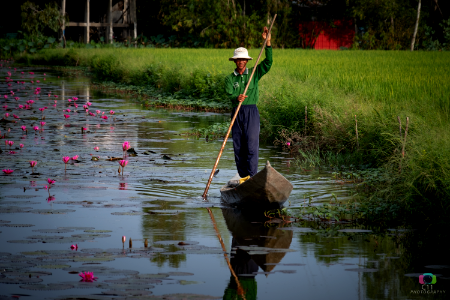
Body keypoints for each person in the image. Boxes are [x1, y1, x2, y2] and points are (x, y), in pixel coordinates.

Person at [225, 27, 272, 178]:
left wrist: (268, 43)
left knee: (252, 146)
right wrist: (235, 98)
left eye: (244, 59)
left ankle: (252, 177)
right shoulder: (229, 78)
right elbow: (229, 93)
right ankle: (243, 177)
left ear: (247, 60)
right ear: (235, 61)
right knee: (239, 148)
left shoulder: (254, 73)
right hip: (237, 113)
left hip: (251, 112)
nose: (241, 62)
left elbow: (268, 62)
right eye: (239, 59)